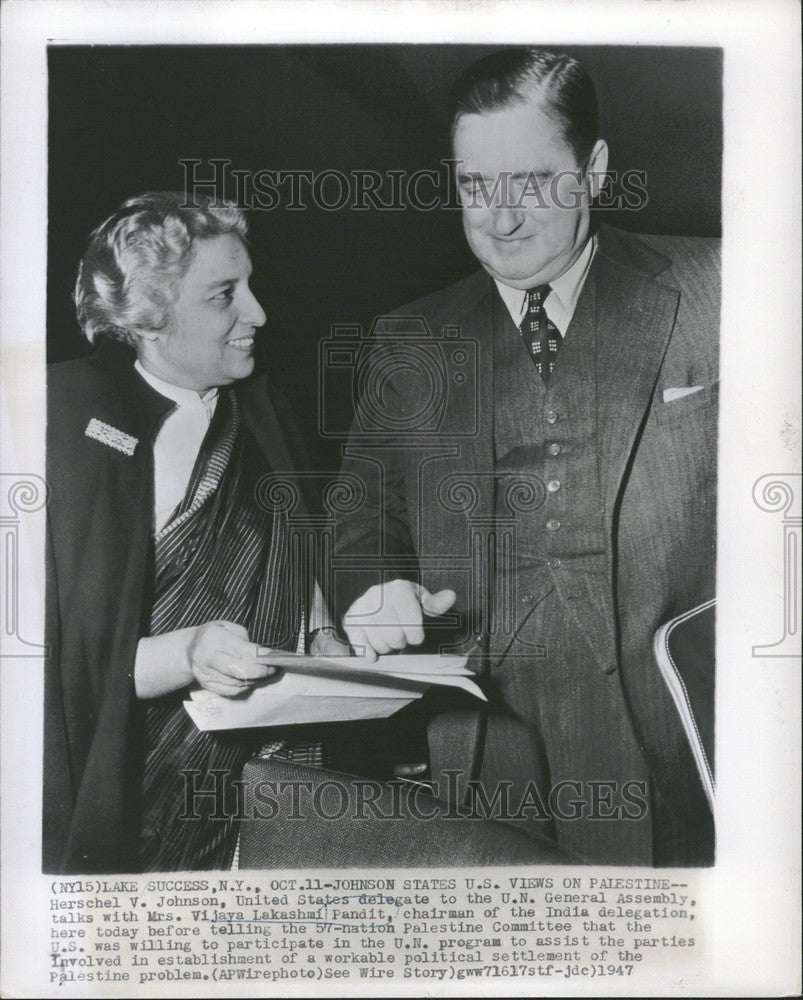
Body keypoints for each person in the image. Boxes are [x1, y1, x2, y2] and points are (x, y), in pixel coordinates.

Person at [333, 48, 718, 866]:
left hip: (685, 743)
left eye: (531, 182)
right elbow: (360, 521)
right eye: (475, 186)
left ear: (594, 171)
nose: (499, 219)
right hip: (487, 761)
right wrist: (373, 591)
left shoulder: (723, 288)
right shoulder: (409, 341)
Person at [44, 192, 340, 874]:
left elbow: (298, 556)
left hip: (261, 783)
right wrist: (188, 652)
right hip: (122, 778)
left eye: (251, 287)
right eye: (223, 295)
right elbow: (58, 665)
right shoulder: (62, 415)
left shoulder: (264, 411)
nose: (258, 313)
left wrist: (325, 630)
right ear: (150, 315)